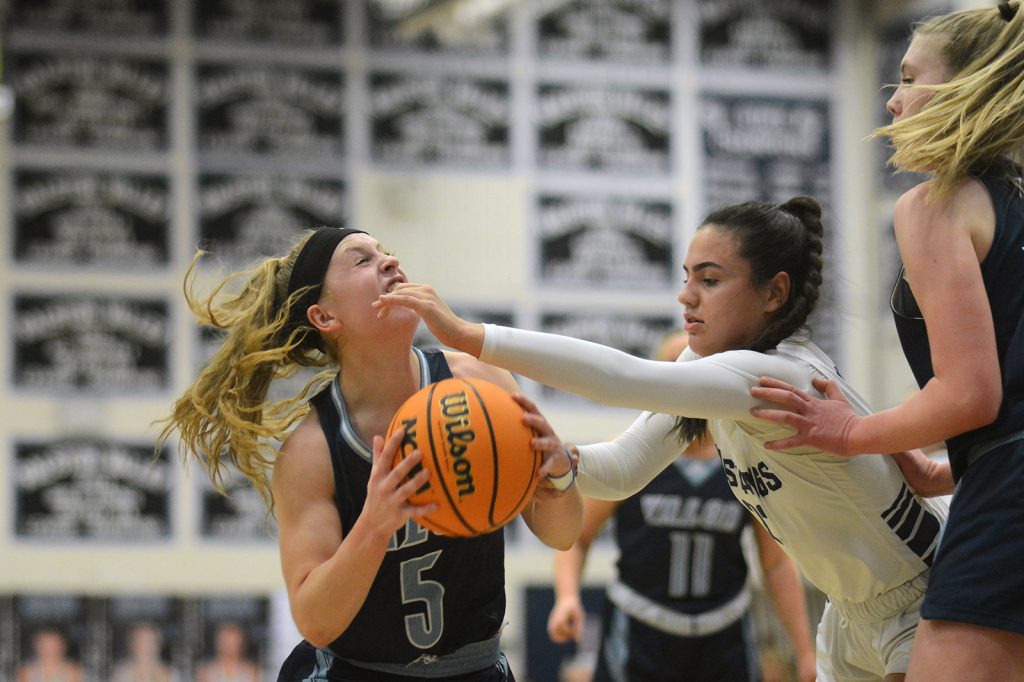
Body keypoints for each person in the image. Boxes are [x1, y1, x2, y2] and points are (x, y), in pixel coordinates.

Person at [376, 196, 948, 682]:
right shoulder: (714, 373)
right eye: (686, 277)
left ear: (774, 293)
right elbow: (625, 467)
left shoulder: (773, 375)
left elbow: (624, 379)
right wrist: (553, 459)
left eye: (710, 280)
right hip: (851, 612)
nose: (686, 297)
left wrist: (471, 336)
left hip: (923, 591)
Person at [158, 227, 582, 682]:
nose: (389, 262)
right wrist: (374, 524)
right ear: (324, 316)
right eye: (361, 260)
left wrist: (556, 478)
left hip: (474, 669)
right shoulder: (313, 448)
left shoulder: (477, 382)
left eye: (387, 253)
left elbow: (561, 533)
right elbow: (315, 620)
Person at [744, 4, 1024, 680]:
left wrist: (847, 432)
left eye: (907, 78)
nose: (893, 102)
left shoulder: (935, 204)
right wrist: (943, 468)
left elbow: (971, 393)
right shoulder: (1014, 200)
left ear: (965, 89)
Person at [547, 333, 817, 682]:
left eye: (699, 373)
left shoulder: (742, 459)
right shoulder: (630, 454)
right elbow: (577, 537)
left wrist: (805, 651)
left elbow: (776, 563)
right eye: (678, 372)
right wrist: (567, 597)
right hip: (641, 630)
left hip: (723, 633)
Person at [112, 622, 177, 682]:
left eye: (151, 642)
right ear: (132, 645)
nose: (147, 647)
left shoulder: (170, 674)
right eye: (141, 642)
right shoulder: (121, 674)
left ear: (159, 645)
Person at [195, 623, 261, 682]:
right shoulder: (205, 671)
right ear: (218, 643)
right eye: (226, 641)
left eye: (234, 642)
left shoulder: (252, 671)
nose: (229, 647)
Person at [16, 626, 83, 682]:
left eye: (53, 645)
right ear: (36, 646)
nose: (49, 650)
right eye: (44, 645)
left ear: (63, 647)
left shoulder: (73, 671)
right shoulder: (25, 671)